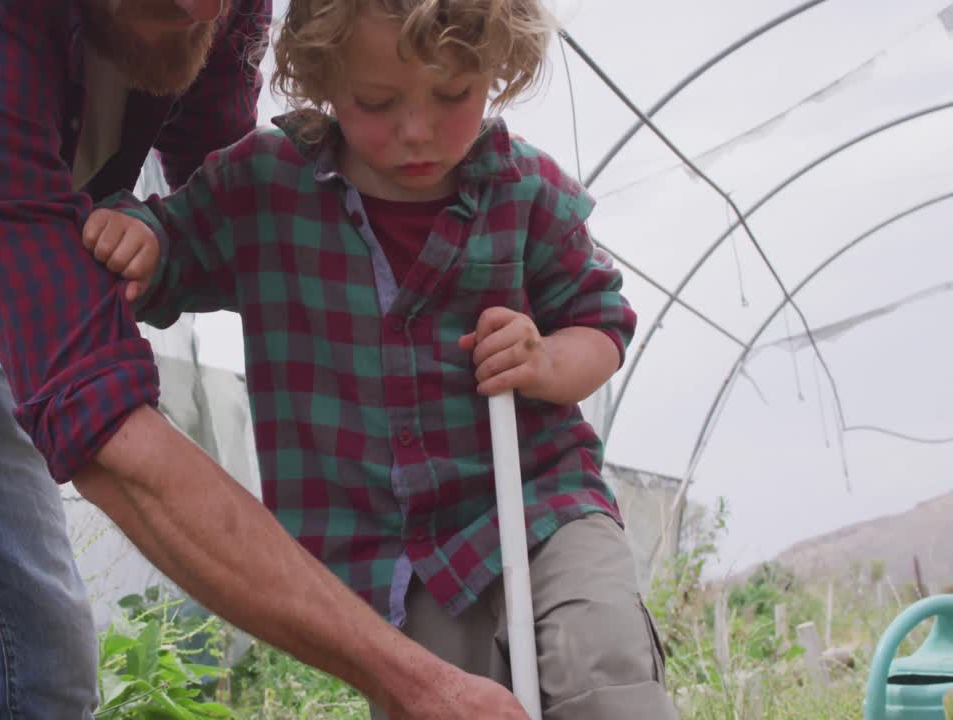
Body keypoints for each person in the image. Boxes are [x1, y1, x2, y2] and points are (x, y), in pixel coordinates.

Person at [0, 0, 531, 718]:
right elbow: (102, 425)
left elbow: (232, 217)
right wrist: (415, 681)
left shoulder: (215, 14)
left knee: (46, 645)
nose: (196, 7)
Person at [83, 0, 681, 716]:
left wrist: (546, 360)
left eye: (454, 95)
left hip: (543, 506)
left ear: (499, 70)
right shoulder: (263, 187)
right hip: (393, 561)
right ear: (323, 78)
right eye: (376, 101)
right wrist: (142, 240)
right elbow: (171, 242)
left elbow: (601, 323)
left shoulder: (527, 194)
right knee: (446, 698)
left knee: (602, 662)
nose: (417, 129)